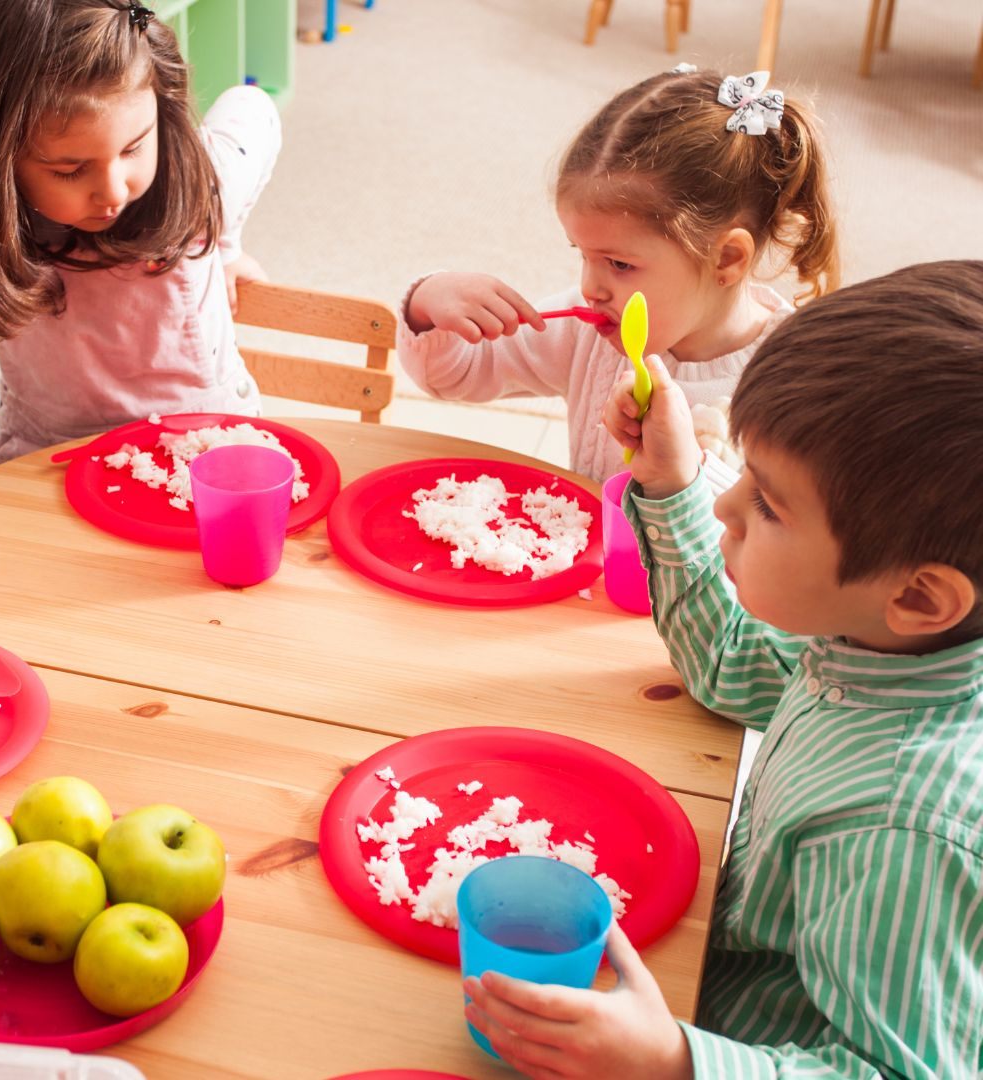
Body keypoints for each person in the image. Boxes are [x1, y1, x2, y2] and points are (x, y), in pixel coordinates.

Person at [465, 261, 983, 1078]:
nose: (726, 506)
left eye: (769, 505)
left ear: (920, 594)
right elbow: (734, 665)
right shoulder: (884, 644)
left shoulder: (905, 828)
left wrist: (676, 1062)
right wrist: (668, 483)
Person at [0, 0, 281, 508]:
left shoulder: (202, 174)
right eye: (70, 170)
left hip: (210, 464)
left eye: (134, 147)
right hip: (46, 470)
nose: (113, 191)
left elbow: (256, 110)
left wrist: (224, 244)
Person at [397, 66, 837, 482]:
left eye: (620, 264)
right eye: (582, 254)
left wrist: (681, 479)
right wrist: (430, 304)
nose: (590, 288)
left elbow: (781, 546)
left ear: (726, 259)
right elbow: (457, 375)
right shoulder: (591, 333)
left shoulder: (792, 382)